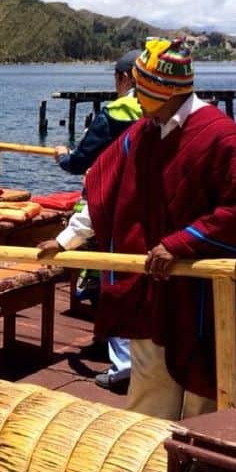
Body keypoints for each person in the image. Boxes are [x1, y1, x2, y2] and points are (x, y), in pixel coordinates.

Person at [40, 37, 236, 420]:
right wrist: (64, 240)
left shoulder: (221, 138)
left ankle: (198, 467)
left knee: (205, 396)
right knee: (150, 387)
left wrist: (182, 244)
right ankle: (148, 464)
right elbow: (105, 194)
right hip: (152, 289)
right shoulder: (142, 134)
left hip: (205, 293)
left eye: (142, 90)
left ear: (165, 91)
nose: (136, 98)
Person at [49, 49, 143, 391]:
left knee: (112, 280)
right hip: (157, 208)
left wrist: (63, 158)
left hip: (116, 208)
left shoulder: (117, 113)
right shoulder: (166, 109)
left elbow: (81, 160)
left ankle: (124, 368)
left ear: (123, 79)